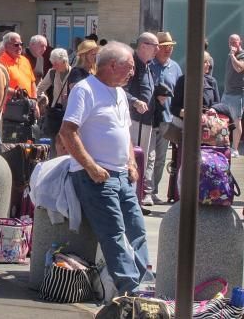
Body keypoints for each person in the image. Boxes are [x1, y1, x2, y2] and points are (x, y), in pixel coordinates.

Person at [60, 41, 149, 295]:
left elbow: (124, 133)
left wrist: (131, 162)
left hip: (122, 174)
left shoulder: (120, 92)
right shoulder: (85, 90)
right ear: (112, 65)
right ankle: (130, 289)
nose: (133, 72)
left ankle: (141, 285)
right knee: (115, 234)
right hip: (97, 177)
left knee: (137, 231)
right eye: (129, 67)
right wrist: (91, 167)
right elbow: (68, 131)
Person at [146, 31, 182, 205]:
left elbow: (179, 92)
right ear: (157, 48)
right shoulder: (148, 65)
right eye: (165, 47)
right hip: (150, 118)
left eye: (171, 47)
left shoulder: (175, 67)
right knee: (149, 156)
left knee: (160, 158)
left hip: (168, 118)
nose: (169, 50)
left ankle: (153, 191)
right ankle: (145, 192)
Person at [124, 33, 158, 196]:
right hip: (135, 121)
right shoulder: (133, 65)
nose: (158, 49)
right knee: (133, 160)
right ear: (143, 46)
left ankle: (138, 196)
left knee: (141, 160)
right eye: (155, 45)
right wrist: (135, 102)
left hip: (146, 121)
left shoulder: (148, 66)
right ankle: (132, 196)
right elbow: (121, 89)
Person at [36, 48, 71, 150]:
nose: (54, 66)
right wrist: (40, 97)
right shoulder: (52, 72)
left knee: (66, 140)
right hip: (55, 111)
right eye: (53, 63)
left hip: (69, 111)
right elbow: (40, 88)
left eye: (56, 63)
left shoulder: (74, 73)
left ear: (64, 61)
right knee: (52, 138)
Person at [171, 51, 220, 117]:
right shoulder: (182, 81)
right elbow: (174, 108)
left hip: (207, 124)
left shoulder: (212, 81)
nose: (209, 64)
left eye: (209, 61)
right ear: (196, 63)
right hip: (184, 125)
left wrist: (213, 109)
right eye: (205, 62)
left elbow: (217, 103)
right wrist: (187, 113)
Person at [222, 34, 244, 158]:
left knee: (236, 121)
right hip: (226, 93)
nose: (232, 44)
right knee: (222, 120)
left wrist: (232, 56)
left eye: (234, 42)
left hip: (237, 94)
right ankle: (224, 144)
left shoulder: (241, 55)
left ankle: (235, 149)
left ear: (239, 42)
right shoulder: (231, 55)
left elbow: (239, 69)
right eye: (230, 42)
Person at [0, 32, 37, 97]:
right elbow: (0, 87)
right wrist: (18, 94)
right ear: (6, 46)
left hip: (27, 104)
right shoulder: (0, 63)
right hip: (10, 105)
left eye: (21, 44)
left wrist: (35, 101)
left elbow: (32, 82)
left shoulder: (25, 60)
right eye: (16, 45)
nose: (20, 47)